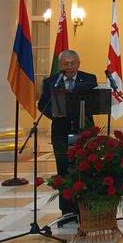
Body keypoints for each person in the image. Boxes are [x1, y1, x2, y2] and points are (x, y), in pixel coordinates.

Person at [38, 50, 98, 218]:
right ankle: (67, 211)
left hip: (84, 131)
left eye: (73, 63)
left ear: (79, 63)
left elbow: (96, 101)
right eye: (66, 64)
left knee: (86, 168)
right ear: (60, 65)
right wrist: (53, 113)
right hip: (61, 131)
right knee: (63, 170)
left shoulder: (89, 79)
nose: (70, 67)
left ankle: (86, 208)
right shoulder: (52, 81)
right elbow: (42, 104)